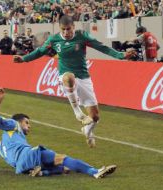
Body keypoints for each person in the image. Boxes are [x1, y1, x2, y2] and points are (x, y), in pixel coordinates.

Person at [14, 15, 136, 148]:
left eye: (69, 29)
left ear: (74, 27)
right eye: (63, 29)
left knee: (95, 117)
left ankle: (87, 132)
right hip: (65, 76)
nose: (66, 33)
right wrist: (24, 59)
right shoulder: (54, 39)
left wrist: (120, 55)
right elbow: (40, 51)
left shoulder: (82, 36)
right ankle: (77, 112)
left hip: (84, 77)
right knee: (69, 77)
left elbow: (102, 47)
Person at [0, 88, 117, 179]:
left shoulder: (0, 146)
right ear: (19, 122)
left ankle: (41, 172)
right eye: (27, 122)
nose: (29, 126)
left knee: (65, 169)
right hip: (27, 156)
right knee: (63, 158)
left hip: (20, 168)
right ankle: (95, 171)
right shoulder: (13, 125)